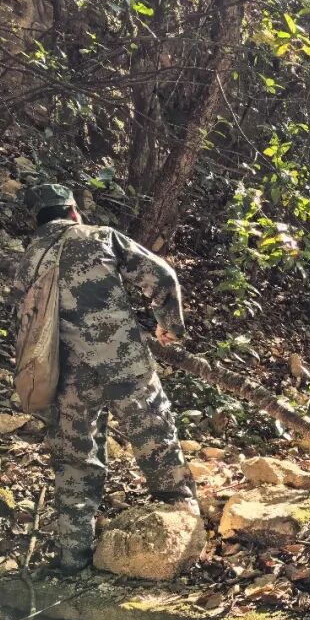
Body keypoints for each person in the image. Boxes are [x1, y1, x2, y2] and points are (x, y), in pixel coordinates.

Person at [16, 184, 199, 573]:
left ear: (37, 220)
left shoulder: (30, 260)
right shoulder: (99, 236)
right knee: (155, 437)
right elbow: (162, 276)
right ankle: (182, 532)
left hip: (67, 376)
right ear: (73, 212)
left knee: (75, 461)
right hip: (123, 363)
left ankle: (73, 557)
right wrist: (169, 326)